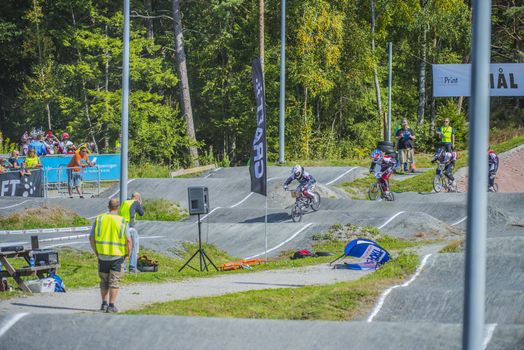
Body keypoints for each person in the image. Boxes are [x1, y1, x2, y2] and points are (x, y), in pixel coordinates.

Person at [89, 198, 131, 313]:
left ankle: (104, 303)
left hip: (102, 256)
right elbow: (128, 240)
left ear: (108, 206)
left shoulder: (99, 219)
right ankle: (111, 306)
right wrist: (128, 254)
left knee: (104, 281)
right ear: (118, 207)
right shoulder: (122, 221)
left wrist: (96, 251)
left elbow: (91, 238)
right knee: (114, 281)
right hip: (117, 257)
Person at [119, 192, 145, 273]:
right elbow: (141, 213)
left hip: (121, 226)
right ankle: (132, 267)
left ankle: (122, 267)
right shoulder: (136, 202)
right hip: (130, 227)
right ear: (137, 197)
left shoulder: (125, 202)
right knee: (134, 246)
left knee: (123, 247)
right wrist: (140, 204)